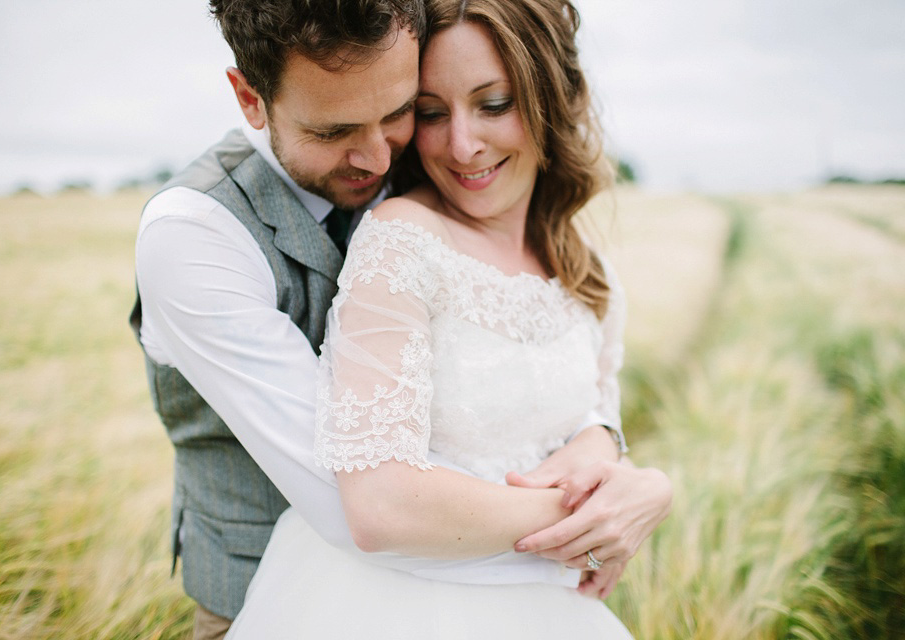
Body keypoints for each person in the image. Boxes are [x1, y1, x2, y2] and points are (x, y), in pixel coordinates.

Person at [132, 1, 669, 638]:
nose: (382, 161)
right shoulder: (194, 236)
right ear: (250, 99)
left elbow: (539, 378)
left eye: (400, 113)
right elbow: (357, 504)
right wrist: (594, 518)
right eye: (332, 131)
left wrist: (614, 454)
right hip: (287, 597)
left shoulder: (463, 181)